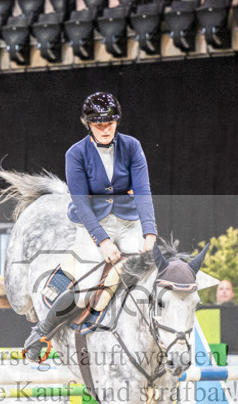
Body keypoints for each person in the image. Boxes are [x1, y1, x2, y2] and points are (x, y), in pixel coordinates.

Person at [24, 92, 156, 361]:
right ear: (87, 124)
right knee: (86, 288)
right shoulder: (76, 153)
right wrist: (103, 241)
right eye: (98, 125)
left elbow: (143, 190)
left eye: (110, 124)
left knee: (149, 274)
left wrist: (150, 231)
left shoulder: (132, 146)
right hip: (92, 224)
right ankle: (40, 334)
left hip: (128, 223)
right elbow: (81, 202)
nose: (105, 130)